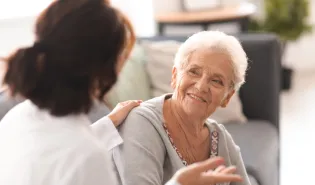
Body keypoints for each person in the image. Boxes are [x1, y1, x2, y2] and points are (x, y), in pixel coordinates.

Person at [0, 1, 243, 185]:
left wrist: (106, 126)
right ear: (107, 69)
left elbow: (53, 152)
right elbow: (70, 155)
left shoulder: (17, 118)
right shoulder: (87, 156)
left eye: (216, 81)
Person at [112, 31, 252, 185]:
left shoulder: (221, 139)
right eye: (194, 72)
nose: (201, 86)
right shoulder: (141, 122)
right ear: (174, 76)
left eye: (216, 81)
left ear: (227, 98)